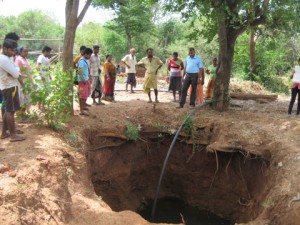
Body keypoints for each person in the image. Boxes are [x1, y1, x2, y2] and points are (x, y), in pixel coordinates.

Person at [0, 39, 25, 142]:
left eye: (14, 50)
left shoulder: (5, 58)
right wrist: (15, 72)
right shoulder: (4, 59)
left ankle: (4, 132)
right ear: (5, 48)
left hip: (6, 86)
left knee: (7, 110)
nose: (13, 53)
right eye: (11, 50)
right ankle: (13, 135)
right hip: (10, 87)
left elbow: (15, 71)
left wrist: (15, 72)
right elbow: (15, 74)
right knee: (10, 111)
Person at [14, 46, 32, 122]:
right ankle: (22, 117)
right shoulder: (18, 59)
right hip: (23, 83)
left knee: (27, 99)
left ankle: (24, 115)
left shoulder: (25, 59)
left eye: (27, 51)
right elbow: (17, 73)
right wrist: (22, 84)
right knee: (23, 100)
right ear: (20, 52)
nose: (26, 53)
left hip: (28, 82)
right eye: (24, 51)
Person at [77, 48, 93, 116]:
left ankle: (83, 107)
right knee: (82, 95)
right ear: (86, 54)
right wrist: (83, 79)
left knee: (86, 94)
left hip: (86, 79)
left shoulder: (85, 60)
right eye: (89, 55)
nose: (90, 57)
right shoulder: (81, 61)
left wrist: (89, 77)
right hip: (82, 81)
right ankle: (81, 110)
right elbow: (80, 71)